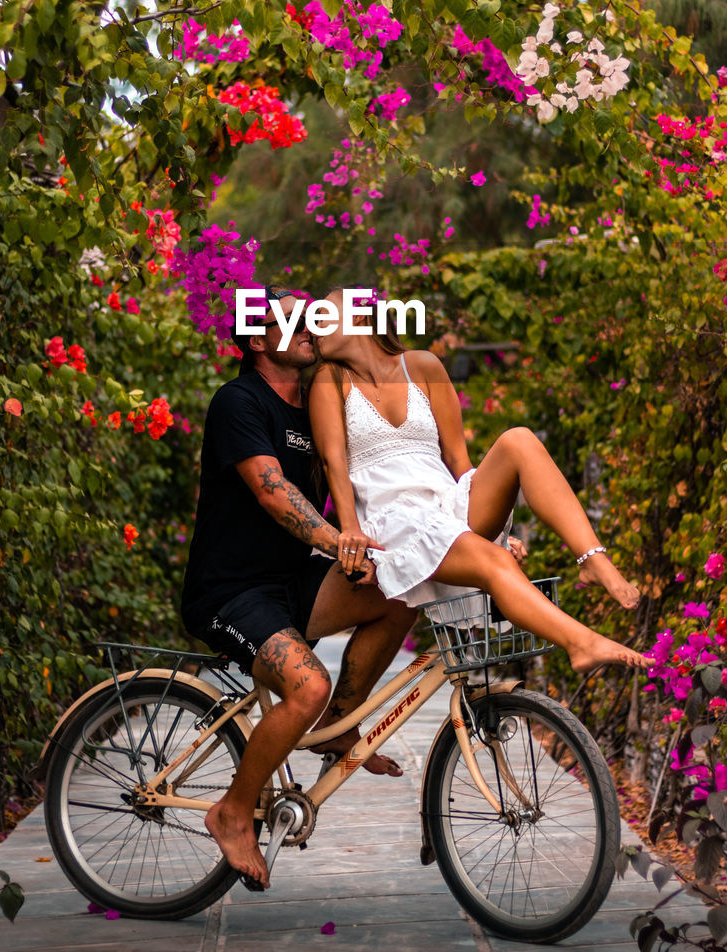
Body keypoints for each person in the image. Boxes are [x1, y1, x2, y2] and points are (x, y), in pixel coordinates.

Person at [180, 286, 416, 891]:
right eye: (292, 320)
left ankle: (339, 729)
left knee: (400, 595)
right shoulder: (238, 401)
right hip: (231, 591)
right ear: (259, 341)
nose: (309, 325)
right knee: (305, 685)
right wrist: (336, 538)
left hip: (294, 583)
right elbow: (269, 489)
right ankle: (231, 813)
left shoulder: (314, 402)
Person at [307, 288, 654, 674]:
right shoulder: (329, 380)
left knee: (519, 440)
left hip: (447, 507)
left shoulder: (422, 366)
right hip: (395, 521)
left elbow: (458, 459)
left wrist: (496, 526)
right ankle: (580, 642)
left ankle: (593, 560)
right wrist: (351, 532)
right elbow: (333, 461)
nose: (311, 329)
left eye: (321, 318)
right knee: (494, 561)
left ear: (357, 317)